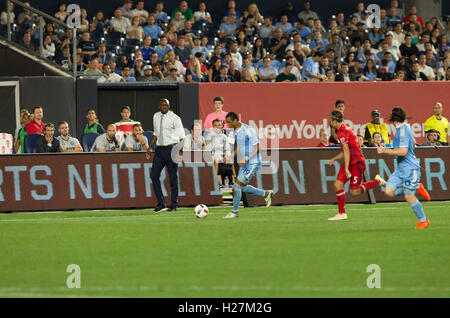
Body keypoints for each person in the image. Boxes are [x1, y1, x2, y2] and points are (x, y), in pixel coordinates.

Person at [326, 110, 386, 221]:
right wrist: (334, 159)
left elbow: (346, 151)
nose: (329, 121)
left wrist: (346, 169)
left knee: (355, 191)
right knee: (338, 184)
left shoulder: (342, 132)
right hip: (351, 162)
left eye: (330, 120)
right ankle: (342, 213)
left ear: (335, 122)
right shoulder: (342, 129)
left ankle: (376, 181)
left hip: (357, 163)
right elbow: (346, 150)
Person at [377, 107, 430, 229]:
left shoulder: (402, 131)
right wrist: (387, 145)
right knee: (389, 191)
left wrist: (384, 150)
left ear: (393, 118)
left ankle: (424, 220)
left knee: (408, 196)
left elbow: (403, 151)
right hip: (401, 168)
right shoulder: (404, 128)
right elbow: (413, 144)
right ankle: (416, 187)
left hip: (410, 169)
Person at [223, 112, 274, 219]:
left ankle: (234, 212)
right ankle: (265, 194)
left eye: (229, 122)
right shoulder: (235, 131)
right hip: (245, 163)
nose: (227, 125)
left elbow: (258, 147)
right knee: (243, 187)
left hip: (253, 162)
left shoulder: (248, 130)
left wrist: (246, 158)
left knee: (236, 186)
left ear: (235, 120)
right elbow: (238, 147)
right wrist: (231, 156)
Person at [146, 99, 185, 212]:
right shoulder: (156, 116)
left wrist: (180, 150)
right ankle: (161, 203)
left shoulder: (175, 118)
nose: (164, 106)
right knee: (154, 175)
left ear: (169, 106)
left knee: (173, 178)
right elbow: (156, 134)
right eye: (162, 104)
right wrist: (149, 147)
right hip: (159, 150)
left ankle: (174, 204)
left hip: (172, 149)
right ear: (159, 106)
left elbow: (182, 136)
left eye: (166, 105)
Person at [205, 119, 235, 188]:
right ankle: (216, 184)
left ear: (222, 126)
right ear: (212, 126)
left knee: (229, 164)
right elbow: (207, 151)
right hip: (213, 160)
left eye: (219, 125)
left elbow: (227, 150)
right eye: (215, 125)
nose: (217, 127)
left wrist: (226, 158)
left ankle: (230, 185)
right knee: (217, 162)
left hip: (222, 160)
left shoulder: (224, 137)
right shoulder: (209, 137)